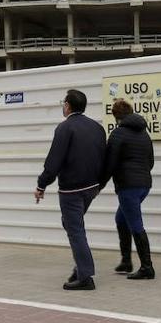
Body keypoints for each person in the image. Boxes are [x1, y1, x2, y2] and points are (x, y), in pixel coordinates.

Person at [35, 89, 107, 291]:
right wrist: (100, 184)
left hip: (72, 190)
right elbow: (104, 157)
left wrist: (42, 184)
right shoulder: (97, 128)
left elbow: (54, 160)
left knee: (75, 230)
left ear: (67, 105)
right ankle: (81, 266)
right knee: (71, 224)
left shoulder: (64, 128)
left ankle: (86, 276)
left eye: (63, 103)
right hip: (92, 187)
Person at [103, 98, 156, 280]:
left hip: (128, 186)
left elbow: (109, 164)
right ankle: (126, 261)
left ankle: (147, 267)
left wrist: (99, 184)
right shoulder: (144, 134)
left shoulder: (118, 134)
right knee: (121, 218)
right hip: (144, 185)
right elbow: (151, 161)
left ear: (116, 116)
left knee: (135, 224)